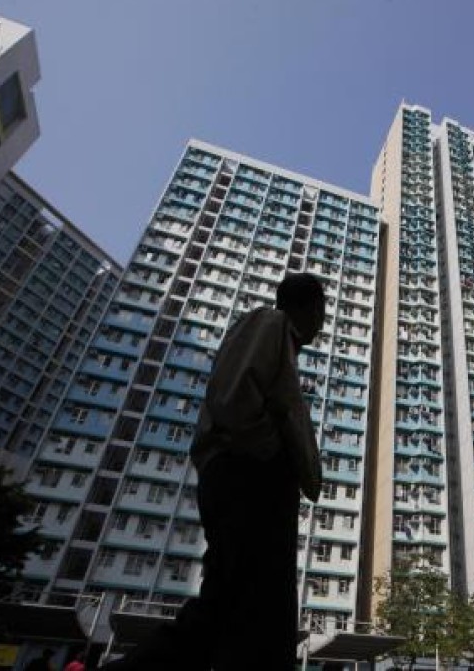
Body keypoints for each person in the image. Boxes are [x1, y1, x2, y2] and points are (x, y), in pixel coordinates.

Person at [103, 273, 325, 670]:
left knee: (256, 611)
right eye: (321, 311)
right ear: (312, 307)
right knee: (236, 601)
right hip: (249, 477)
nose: (321, 322)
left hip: (255, 479)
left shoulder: (284, 348)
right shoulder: (269, 323)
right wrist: (270, 455)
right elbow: (234, 398)